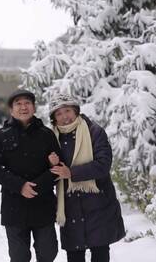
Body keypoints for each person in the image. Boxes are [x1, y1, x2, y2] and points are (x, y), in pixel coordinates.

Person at [47, 93, 125, 262]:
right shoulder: (51, 138)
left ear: (75, 110)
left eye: (67, 110)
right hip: (70, 209)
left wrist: (72, 173)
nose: (64, 117)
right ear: (54, 119)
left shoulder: (94, 131)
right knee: (74, 257)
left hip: (99, 205)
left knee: (100, 254)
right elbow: (48, 174)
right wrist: (51, 165)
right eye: (58, 114)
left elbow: (103, 164)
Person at [0, 89, 60, 262]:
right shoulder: (1, 135)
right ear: (11, 110)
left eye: (27, 103)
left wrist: (37, 185)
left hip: (43, 204)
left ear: (34, 108)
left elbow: (58, 167)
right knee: (19, 256)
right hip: (14, 206)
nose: (23, 107)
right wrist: (20, 186)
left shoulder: (47, 134)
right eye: (18, 104)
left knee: (48, 253)